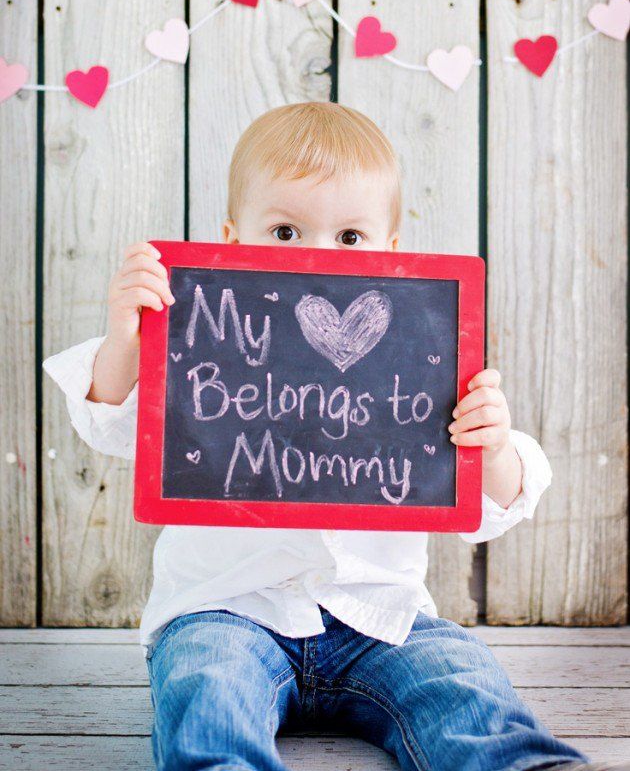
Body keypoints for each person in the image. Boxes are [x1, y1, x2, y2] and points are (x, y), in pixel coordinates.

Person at [44, 102, 600, 771]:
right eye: (283, 229)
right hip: (227, 612)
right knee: (206, 684)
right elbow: (112, 417)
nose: (314, 253)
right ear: (234, 238)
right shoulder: (203, 336)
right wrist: (127, 337)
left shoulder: (425, 351)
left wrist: (494, 445)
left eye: (349, 236)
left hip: (383, 623)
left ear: (392, 253)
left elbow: (488, 507)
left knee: (460, 675)